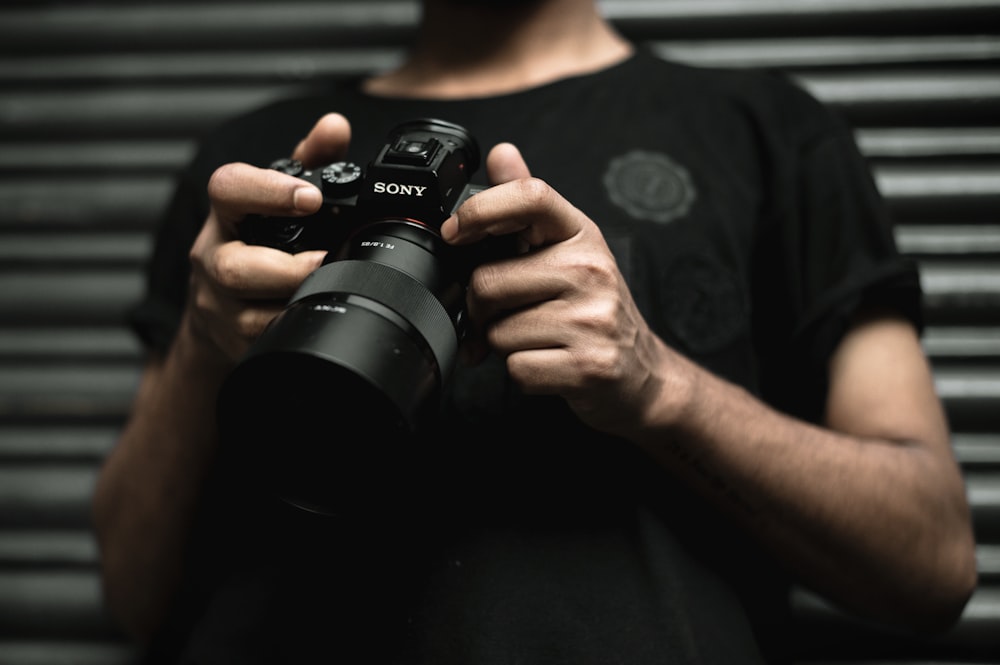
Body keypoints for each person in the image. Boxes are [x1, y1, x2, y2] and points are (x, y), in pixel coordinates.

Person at [91, 0, 978, 663]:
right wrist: (205, 349)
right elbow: (136, 591)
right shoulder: (258, 164)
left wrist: (660, 387)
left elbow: (930, 560)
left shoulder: (770, 129)